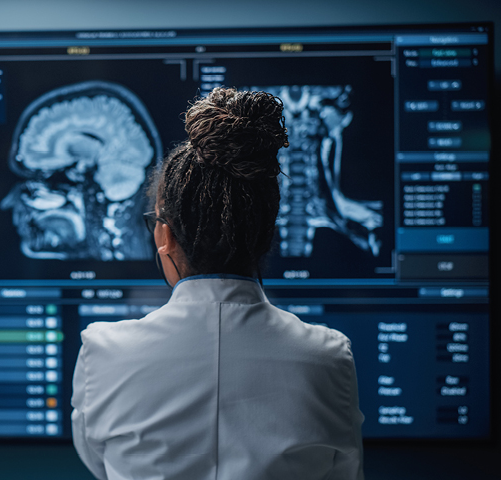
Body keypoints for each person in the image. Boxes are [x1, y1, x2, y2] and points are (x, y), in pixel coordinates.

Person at [71, 87, 364, 480]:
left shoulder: (103, 353)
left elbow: (101, 465)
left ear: (164, 237)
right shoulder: (328, 358)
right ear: (266, 232)